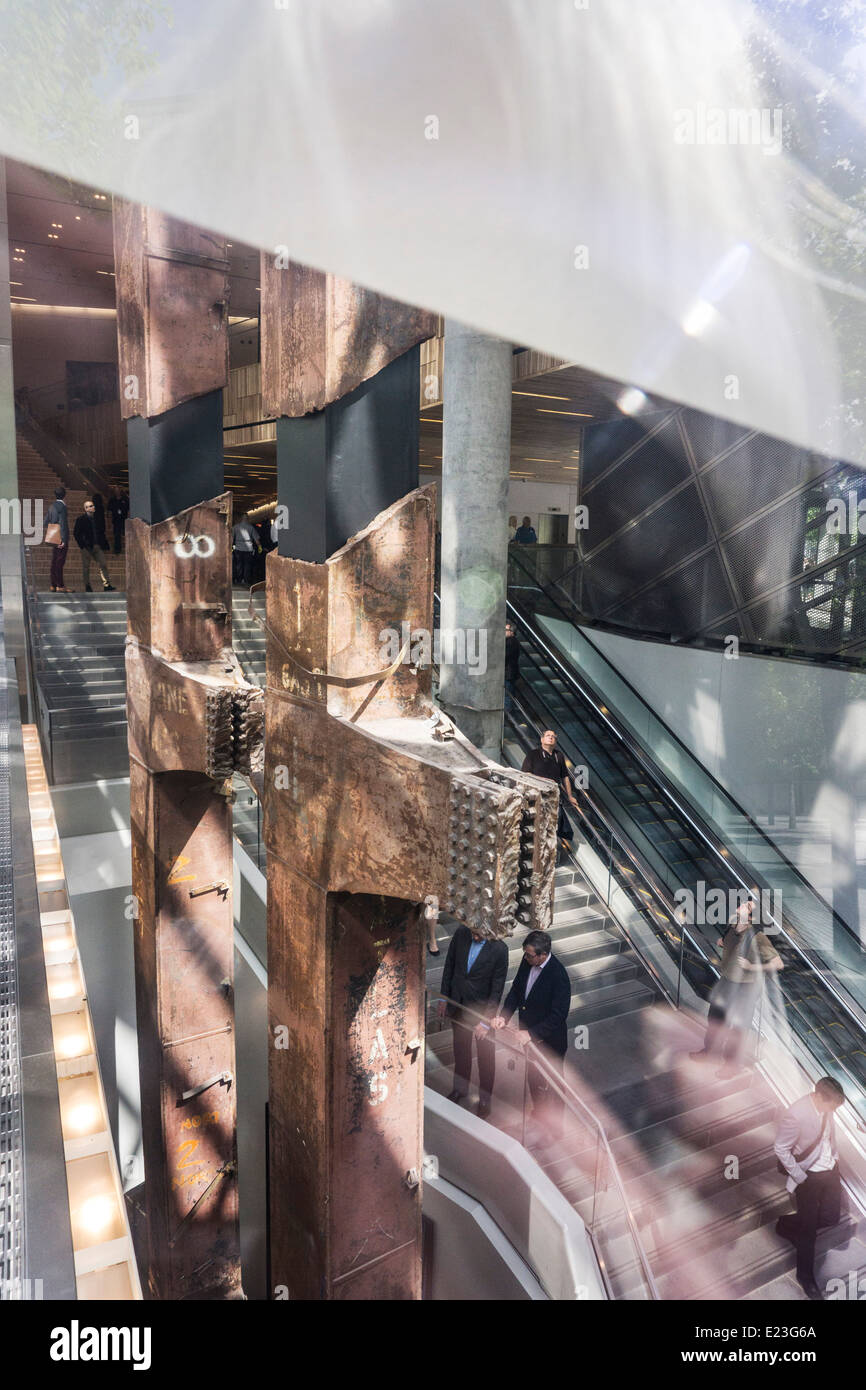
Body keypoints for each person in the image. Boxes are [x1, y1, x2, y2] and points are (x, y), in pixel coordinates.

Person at [689, 897, 782, 1077]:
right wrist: (723, 942)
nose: (742, 905)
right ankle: (709, 1052)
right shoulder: (733, 926)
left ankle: (731, 1066)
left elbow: (778, 963)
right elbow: (728, 941)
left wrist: (751, 966)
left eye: (748, 906)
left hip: (746, 987)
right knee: (715, 1018)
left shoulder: (758, 937)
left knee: (738, 1029)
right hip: (727, 981)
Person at [492, 930, 570, 1138]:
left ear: (543, 955)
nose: (525, 958)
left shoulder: (558, 975)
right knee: (533, 1079)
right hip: (529, 1038)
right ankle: (538, 1114)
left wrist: (531, 1033)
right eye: (525, 954)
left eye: (530, 955)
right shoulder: (528, 963)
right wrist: (504, 1017)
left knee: (553, 1085)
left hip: (549, 1041)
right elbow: (516, 991)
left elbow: (558, 1015)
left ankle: (556, 1130)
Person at [774, 1077, 845, 1300]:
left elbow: (827, 1133)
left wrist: (834, 1158)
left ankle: (785, 1224)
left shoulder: (827, 1105)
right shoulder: (796, 1114)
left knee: (832, 1217)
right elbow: (781, 1148)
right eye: (832, 1106)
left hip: (830, 1168)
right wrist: (799, 1175)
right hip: (808, 1175)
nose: (833, 1110)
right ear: (818, 1097)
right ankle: (805, 1277)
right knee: (809, 1228)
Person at [439, 923, 508, 1119]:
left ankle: (485, 1099)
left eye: (479, 935)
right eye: (473, 933)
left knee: (486, 1060)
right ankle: (460, 1089)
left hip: (481, 1013)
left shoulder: (500, 949)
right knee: (461, 1052)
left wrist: (486, 1021)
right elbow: (449, 965)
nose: (475, 937)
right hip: (458, 1006)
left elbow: (497, 989)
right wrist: (444, 998)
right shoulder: (461, 933)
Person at [521, 729, 579, 847]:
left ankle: (550, 850)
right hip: (538, 796)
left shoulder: (559, 756)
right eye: (548, 735)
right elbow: (526, 774)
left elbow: (565, 777)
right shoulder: (533, 754)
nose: (551, 737)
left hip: (554, 797)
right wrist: (542, 782)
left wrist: (570, 796)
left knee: (553, 825)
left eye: (553, 736)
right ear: (542, 740)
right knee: (539, 824)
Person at [73, 499, 115, 592]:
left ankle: (106, 585)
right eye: (91, 506)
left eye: (93, 505)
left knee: (103, 564)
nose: (93, 507)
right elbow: (76, 533)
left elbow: (101, 532)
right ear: (86, 508)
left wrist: (102, 543)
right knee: (86, 567)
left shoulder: (97, 518)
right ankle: (87, 585)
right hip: (86, 547)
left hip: (97, 546)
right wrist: (82, 545)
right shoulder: (81, 519)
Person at [45, 486, 69, 591]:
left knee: (54, 561)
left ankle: (53, 585)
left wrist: (53, 524)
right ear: (64, 495)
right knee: (60, 562)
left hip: (54, 537)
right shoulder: (62, 507)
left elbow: (45, 522)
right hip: (61, 537)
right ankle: (60, 585)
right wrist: (63, 540)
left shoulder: (51, 506)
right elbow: (63, 523)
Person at [232, 512, 259, 586]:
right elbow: (256, 540)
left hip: (238, 548)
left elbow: (231, 539)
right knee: (247, 565)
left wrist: (230, 547)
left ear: (241, 518)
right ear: (248, 519)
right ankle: (246, 581)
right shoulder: (251, 527)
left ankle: (239, 580)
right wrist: (260, 547)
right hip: (248, 549)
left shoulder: (235, 527)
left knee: (239, 565)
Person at [107, 486, 129, 553]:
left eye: (118, 490)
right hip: (116, 520)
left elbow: (128, 510)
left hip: (124, 519)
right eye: (115, 491)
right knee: (117, 534)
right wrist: (109, 521)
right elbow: (109, 511)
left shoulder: (125, 499)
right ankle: (117, 549)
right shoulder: (112, 500)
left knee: (126, 534)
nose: (117, 492)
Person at [505, 621, 520, 713]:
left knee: (507, 696)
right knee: (509, 695)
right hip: (510, 673)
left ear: (511, 632)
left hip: (508, 674)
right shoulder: (512, 641)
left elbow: (505, 655)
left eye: (505, 629)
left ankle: (507, 716)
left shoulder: (511, 642)